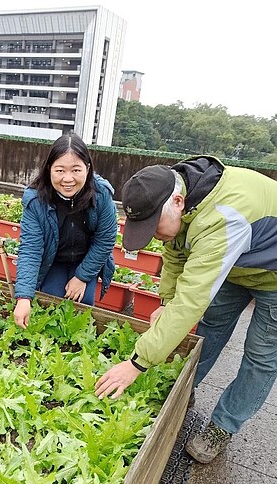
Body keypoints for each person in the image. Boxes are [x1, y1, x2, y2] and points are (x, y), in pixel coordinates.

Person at [95, 155, 277, 464]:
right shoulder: (180, 193)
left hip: (272, 273)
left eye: (154, 226)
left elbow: (192, 299)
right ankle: (181, 390)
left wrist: (137, 363)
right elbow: (175, 253)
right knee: (211, 328)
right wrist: (166, 302)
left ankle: (223, 426)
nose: (153, 234)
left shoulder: (221, 217)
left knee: (261, 355)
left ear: (178, 202)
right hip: (238, 264)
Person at [13, 133, 118, 328]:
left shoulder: (101, 195)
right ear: (49, 169)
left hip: (86, 259)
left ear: (87, 169)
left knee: (83, 303)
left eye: (76, 170)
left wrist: (82, 276)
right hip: (53, 260)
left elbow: (105, 240)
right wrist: (23, 297)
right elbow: (31, 249)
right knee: (49, 301)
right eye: (60, 170)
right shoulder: (36, 200)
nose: (67, 179)